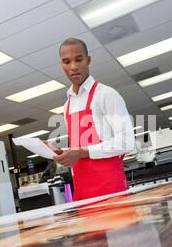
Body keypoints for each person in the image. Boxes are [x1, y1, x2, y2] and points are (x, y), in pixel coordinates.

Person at [44, 38, 134, 201]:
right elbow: (80, 148)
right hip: (82, 191)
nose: (73, 67)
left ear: (88, 60)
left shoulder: (106, 94)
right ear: (62, 65)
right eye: (67, 62)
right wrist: (59, 152)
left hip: (111, 190)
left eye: (78, 59)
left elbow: (127, 141)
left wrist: (82, 152)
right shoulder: (67, 105)